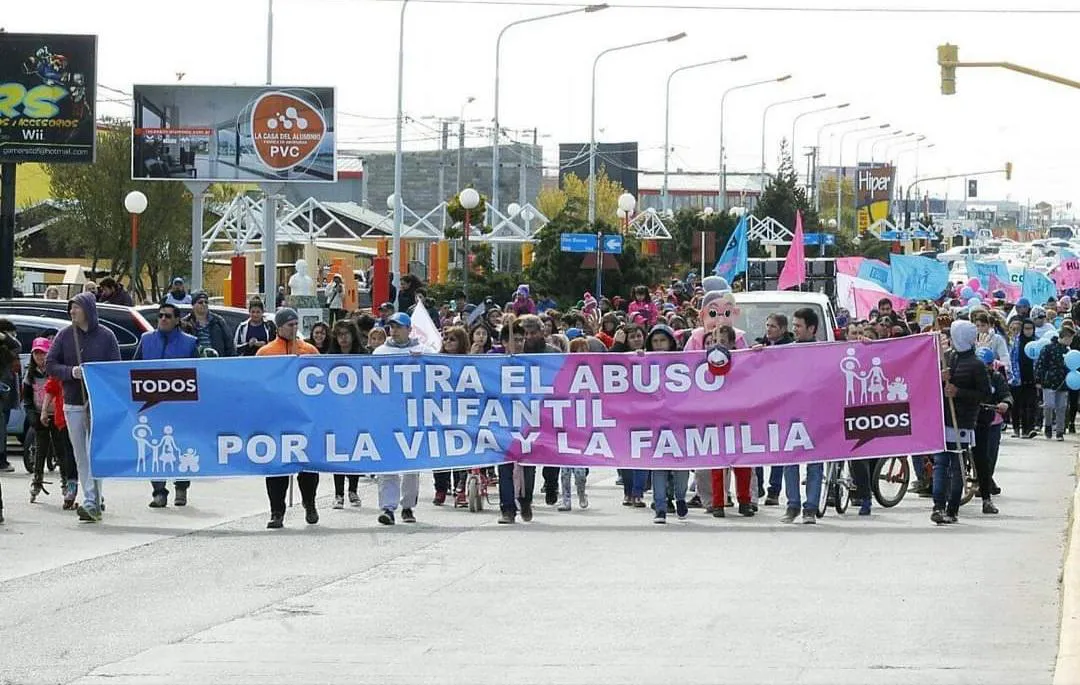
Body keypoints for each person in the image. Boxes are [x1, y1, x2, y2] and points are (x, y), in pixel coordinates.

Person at [45, 293, 121, 522]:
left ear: (88, 309)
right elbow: (50, 364)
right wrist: (71, 372)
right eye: (70, 308)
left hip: (98, 405)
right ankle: (93, 497)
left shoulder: (107, 336)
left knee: (93, 452)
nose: (72, 312)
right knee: (80, 455)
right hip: (73, 403)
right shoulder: (65, 335)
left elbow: (115, 369)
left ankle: (91, 499)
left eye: (75, 308)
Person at [256, 308, 321, 529]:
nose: (294, 329)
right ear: (279, 327)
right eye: (289, 325)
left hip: (304, 417)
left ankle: (310, 504)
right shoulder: (266, 352)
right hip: (276, 417)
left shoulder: (309, 350)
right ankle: (277, 511)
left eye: (296, 324)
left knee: (307, 464)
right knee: (276, 466)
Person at [133, 302, 199, 508]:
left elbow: (198, 373)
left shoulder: (189, 343)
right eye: (160, 315)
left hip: (181, 405)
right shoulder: (146, 340)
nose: (163, 319)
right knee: (153, 447)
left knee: (181, 445)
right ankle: (159, 491)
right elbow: (133, 368)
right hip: (152, 405)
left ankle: (181, 488)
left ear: (177, 320)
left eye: (168, 316)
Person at [932, 320, 991, 525]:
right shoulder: (948, 358)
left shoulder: (977, 365)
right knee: (940, 464)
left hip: (963, 421)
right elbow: (932, 385)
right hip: (944, 419)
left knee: (957, 467)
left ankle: (952, 509)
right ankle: (938, 506)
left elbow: (985, 393)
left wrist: (959, 392)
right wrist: (940, 378)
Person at [496, 316, 554, 524]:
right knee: (504, 466)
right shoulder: (491, 363)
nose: (518, 343)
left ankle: (526, 500)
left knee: (528, 466)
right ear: (504, 342)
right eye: (514, 339)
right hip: (502, 423)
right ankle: (507, 509)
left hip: (529, 423)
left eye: (521, 340)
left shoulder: (534, 364)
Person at [372, 312, 425, 524]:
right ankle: (387, 507)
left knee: (412, 464)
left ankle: (408, 505)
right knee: (388, 463)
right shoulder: (380, 352)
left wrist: (422, 363)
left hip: (414, 414)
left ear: (409, 329)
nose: (393, 330)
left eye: (398, 326)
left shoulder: (422, 351)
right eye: (391, 326)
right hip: (388, 414)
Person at [781, 308, 825, 524]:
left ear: (811, 328)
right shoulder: (784, 352)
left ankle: (810, 508)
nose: (795, 330)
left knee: (815, 463)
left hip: (817, 415)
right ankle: (793, 505)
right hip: (791, 415)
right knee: (790, 461)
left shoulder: (825, 352)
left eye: (798, 326)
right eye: (794, 325)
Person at [328, 319, 366, 509]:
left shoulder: (363, 356)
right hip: (336, 410)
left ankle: (353, 489)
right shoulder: (329, 357)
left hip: (357, 410)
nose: (343, 338)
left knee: (355, 450)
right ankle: (338, 493)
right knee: (338, 451)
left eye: (346, 334)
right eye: (339, 334)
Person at [433, 326, 470, 506]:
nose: (448, 343)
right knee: (440, 451)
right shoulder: (435, 361)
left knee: (461, 451)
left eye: (452, 339)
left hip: (462, 411)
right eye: (445, 339)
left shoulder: (469, 363)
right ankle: (440, 488)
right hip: (440, 411)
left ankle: (460, 487)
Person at [973, 347, 1011, 515]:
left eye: (987, 365)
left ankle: (986, 484)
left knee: (989, 456)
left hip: (992, 421)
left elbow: (1006, 395)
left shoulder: (996, 377)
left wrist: (1005, 403)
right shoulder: (969, 376)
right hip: (972, 420)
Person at [24, 338, 55, 504]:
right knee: (40, 450)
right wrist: (31, 416)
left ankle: (67, 483)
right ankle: (37, 480)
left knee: (61, 450)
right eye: (36, 353)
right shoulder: (30, 373)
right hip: (38, 414)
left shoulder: (54, 370)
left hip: (55, 414)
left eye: (42, 353)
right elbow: (27, 399)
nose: (39, 357)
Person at [1035, 327, 1073, 441]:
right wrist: (1038, 380)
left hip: (1063, 382)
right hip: (1049, 381)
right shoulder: (1048, 348)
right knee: (1049, 405)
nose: (1071, 341)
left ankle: (1060, 431)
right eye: (1070, 339)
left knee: (1062, 406)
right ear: (1065, 338)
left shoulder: (1068, 351)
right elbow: (1040, 364)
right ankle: (1048, 426)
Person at [180, 291, 234, 357]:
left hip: (217, 362)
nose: (204, 304)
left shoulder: (218, 321)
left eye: (206, 302)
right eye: (200, 302)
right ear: (193, 305)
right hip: (195, 363)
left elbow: (229, 344)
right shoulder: (185, 323)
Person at [1010, 319, 1040, 438]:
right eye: (1026, 328)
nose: (1028, 331)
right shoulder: (1016, 342)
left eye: (1030, 328)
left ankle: (1029, 429)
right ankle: (1017, 428)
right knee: (1017, 404)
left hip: (1032, 378)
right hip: (1018, 378)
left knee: (1031, 404)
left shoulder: (1037, 342)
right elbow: (1012, 358)